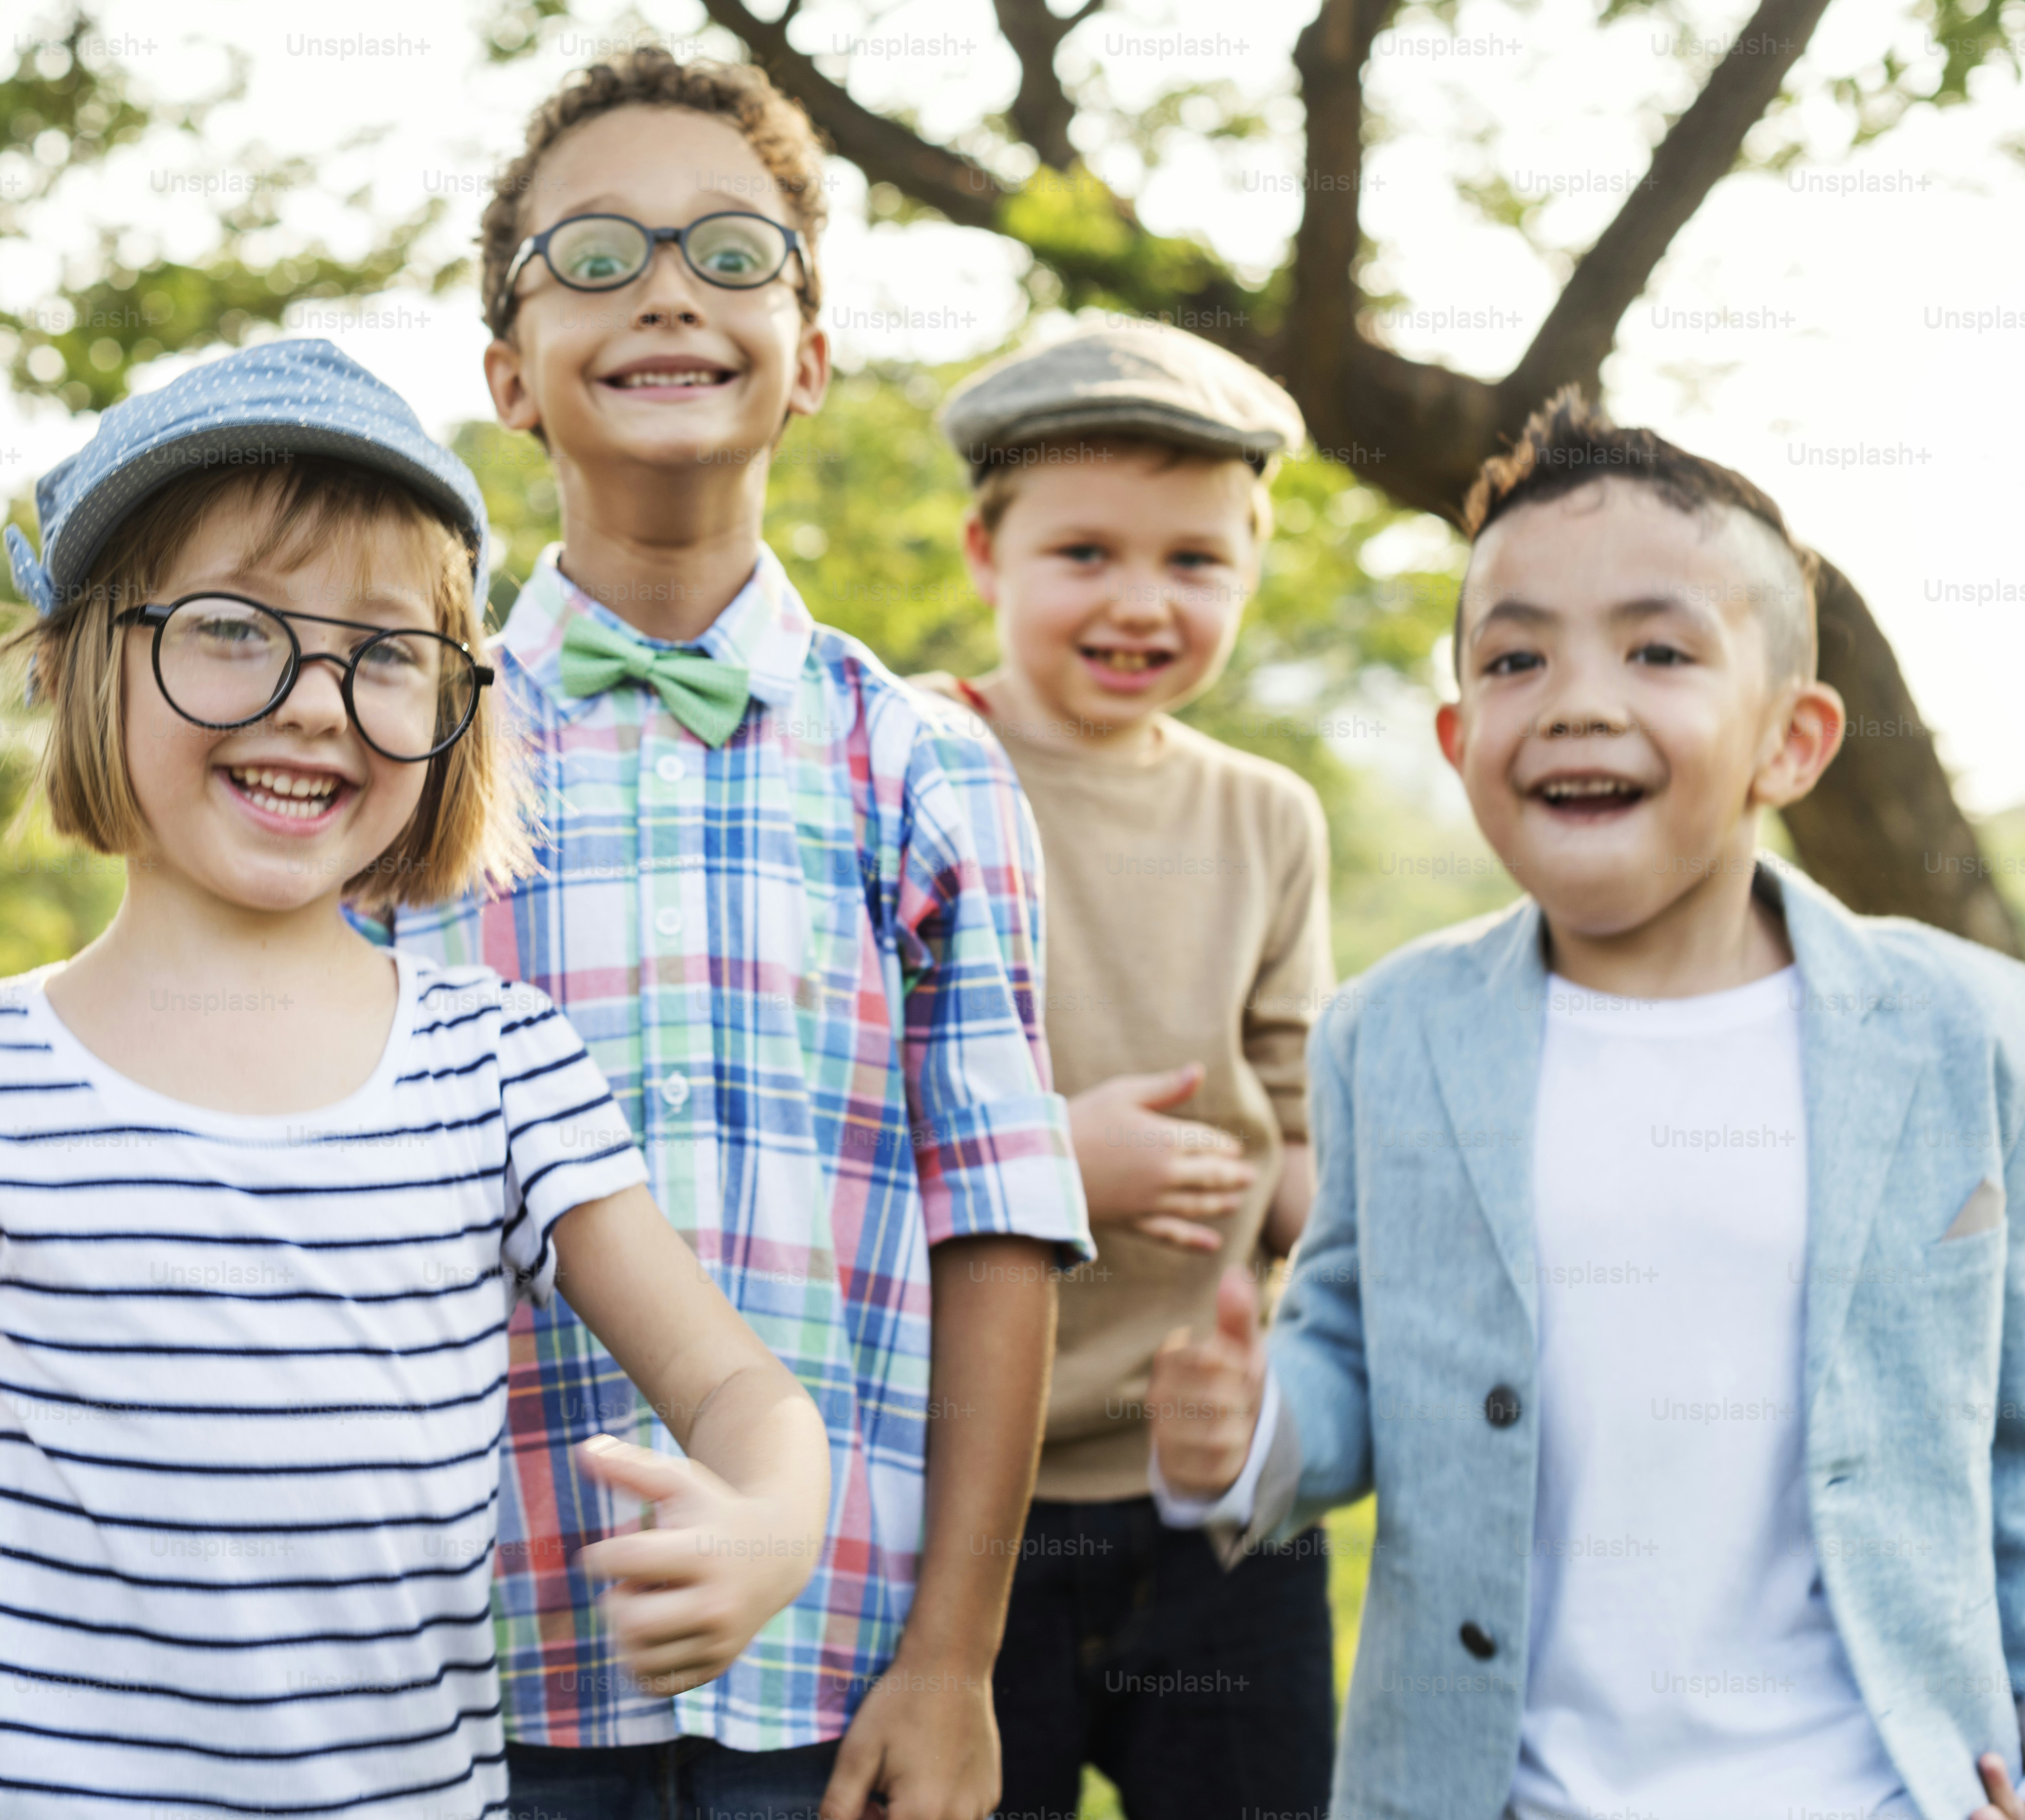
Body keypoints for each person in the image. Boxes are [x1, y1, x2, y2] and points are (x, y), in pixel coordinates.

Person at [0, 340, 833, 1820]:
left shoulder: (500, 1069)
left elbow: (734, 1386)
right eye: (234, 629)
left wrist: (775, 1517)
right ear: (84, 661)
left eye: (385, 653)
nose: (313, 701)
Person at [372, 50, 1091, 1820]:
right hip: (463, 1668)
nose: (670, 289)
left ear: (814, 354)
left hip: (831, 1676)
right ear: (508, 376)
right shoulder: (395, 750)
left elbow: (992, 1222)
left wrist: (951, 1660)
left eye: (733, 252)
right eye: (597, 258)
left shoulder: (925, 765)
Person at [1148, 391, 2025, 1820]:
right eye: (1515, 658)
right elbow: (1352, 1351)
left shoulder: (1970, 1031)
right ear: (1458, 736)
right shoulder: (1395, 1033)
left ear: (1792, 742)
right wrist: (1253, 1428)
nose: (1578, 698)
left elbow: (2016, 1437)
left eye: (1660, 649)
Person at [913, 318, 1337, 1818]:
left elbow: (1297, 1129)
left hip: (1208, 1488)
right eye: (1085, 553)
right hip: (967, 1501)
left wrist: (1329, 1222)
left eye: (1195, 563)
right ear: (986, 554)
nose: (1142, 603)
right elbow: (836, 1112)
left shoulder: (1265, 818)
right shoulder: (913, 765)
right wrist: (1055, 1165)